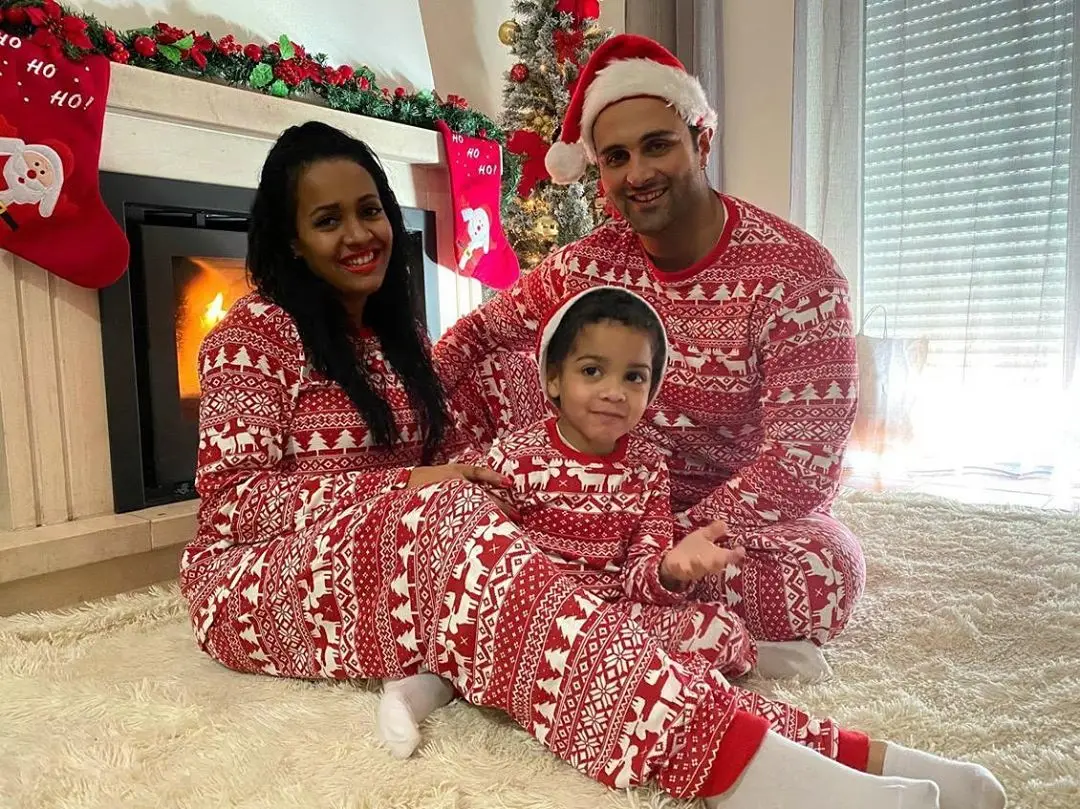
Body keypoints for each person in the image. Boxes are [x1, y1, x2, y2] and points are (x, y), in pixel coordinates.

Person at [180, 120, 1004, 809]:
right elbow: (233, 506)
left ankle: (855, 754)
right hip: (254, 581)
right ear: (292, 240)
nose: (358, 234)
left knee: (533, 553)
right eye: (328, 220)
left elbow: (475, 422)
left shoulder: (399, 336)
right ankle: (776, 776)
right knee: (469, 532)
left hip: (391, 553)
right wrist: (423, 485)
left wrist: (534, 474)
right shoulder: (253, 337)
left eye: (370, 210)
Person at [435, 33, 864, 683]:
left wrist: (663, 546)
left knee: (827, 571)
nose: (637, 174)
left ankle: (556, 600)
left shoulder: (798, 275)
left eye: (657, 145)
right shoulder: (584, 265)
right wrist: (404, 412)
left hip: (720, 513)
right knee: (490, 374)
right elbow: (478, 333)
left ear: (702, 142)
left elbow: (802, 465)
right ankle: (642, 617)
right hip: (588, 487)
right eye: (616, 157)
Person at [378, 287, 755, 759]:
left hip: (610, 617)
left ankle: (626, 678)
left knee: (719, 629)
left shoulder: (648, 467)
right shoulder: (516, 456)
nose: (614, 392)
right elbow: (476, 547)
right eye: (592, 371)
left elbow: (638, 576)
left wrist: (670, 570)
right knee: (456, 639)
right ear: (554, 379)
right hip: (525, 617)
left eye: (634, 377)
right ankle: (422, 689)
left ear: (652, 388)